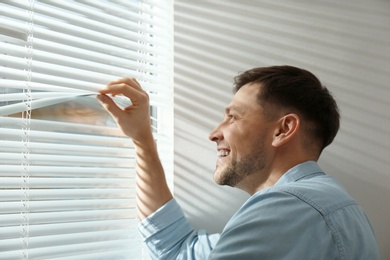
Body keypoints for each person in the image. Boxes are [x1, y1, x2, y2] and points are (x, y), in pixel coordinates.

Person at [97, 65, 380, 259]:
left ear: (283, 130)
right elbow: (179, 251)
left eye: (233, 117)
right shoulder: (311, 204)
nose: (214, 133)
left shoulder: (290, 207)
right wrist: (143, 139)